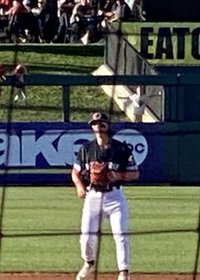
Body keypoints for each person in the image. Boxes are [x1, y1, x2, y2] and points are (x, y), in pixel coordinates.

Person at [71, 111, 139, 280]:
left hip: (115, 198)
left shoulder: (121, 149)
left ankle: (124, 272)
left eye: (102, 123)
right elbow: (75, 172)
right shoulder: (86, 149)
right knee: (86, 236)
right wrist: (79, 186)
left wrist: (119, 176)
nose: (98, 127)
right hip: (92, 196)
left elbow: (135, 173)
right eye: (95, 124)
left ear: (108, 126)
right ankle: (89, 263)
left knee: (121, 235)